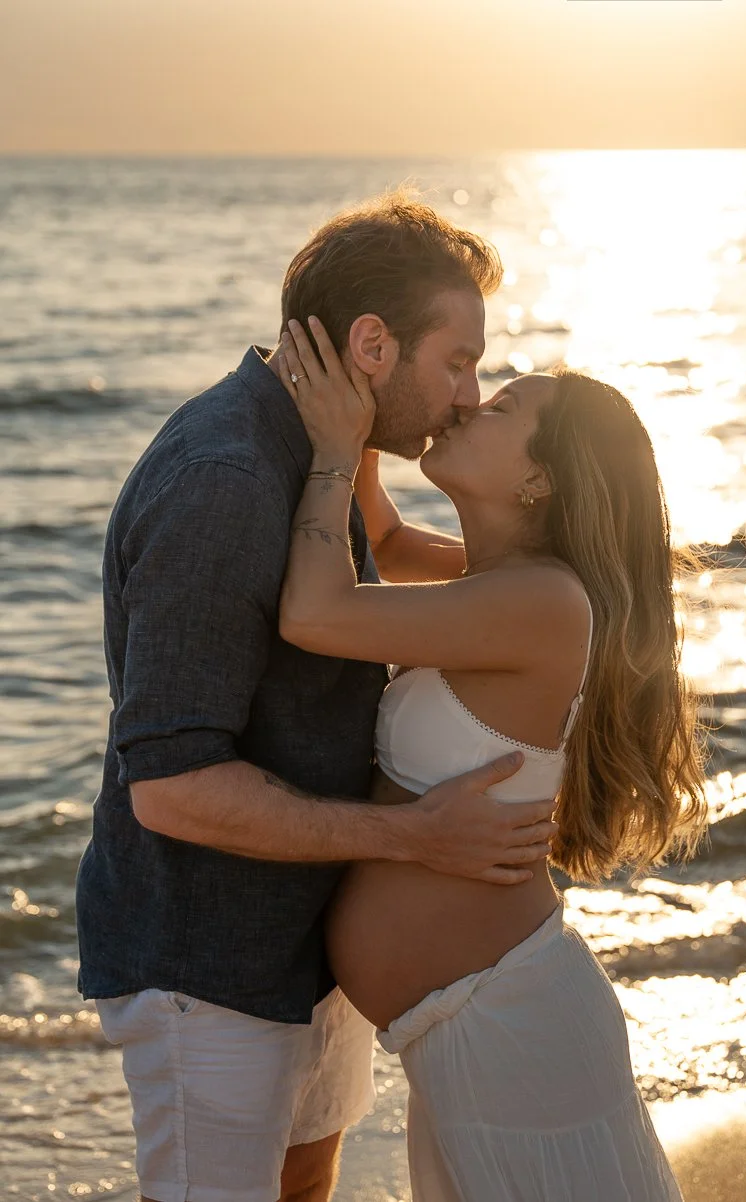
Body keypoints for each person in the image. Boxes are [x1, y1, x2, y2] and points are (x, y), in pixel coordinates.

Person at [74, 195, 558, 1202]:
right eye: (457, 360)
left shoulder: (323, 448)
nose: (468, 394)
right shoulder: (224, 479)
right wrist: (415, 835)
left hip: (299, 943)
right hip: (205, 967)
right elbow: (168, 787)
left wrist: (583, 574)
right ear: (372, 345)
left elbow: (392, 554)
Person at [276, 317, 709, 1202]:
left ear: (540, 477)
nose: (469, 404)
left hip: (511, 1029)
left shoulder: (542, 601)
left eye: (503, 406)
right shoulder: (506, 585)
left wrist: (328, 449)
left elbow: (314, 613)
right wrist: (363, 425)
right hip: (476, 1027)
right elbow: (388, 547)